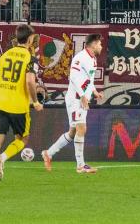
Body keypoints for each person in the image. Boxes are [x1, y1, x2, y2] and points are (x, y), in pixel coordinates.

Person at [0, 23, 43, 190]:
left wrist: (2, 86)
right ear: (29, 39)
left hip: (0, 104)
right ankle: (3, 158)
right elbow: (29, 81)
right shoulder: (30, 58)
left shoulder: (5, 55)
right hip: (19, 107)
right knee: (22, 139)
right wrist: (35, 101)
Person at [41, 33, 103, 174]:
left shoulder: (93, 59)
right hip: (76, 98)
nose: (101, 46)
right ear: (93, 44)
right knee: (82, 128)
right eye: (99, 44)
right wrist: (82, 96)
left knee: (73, 132)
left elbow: (89, 79)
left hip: (82, 98)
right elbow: (73, 77)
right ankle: (80, 165)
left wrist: (95, 92)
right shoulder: (80, 57)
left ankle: (48, 153)